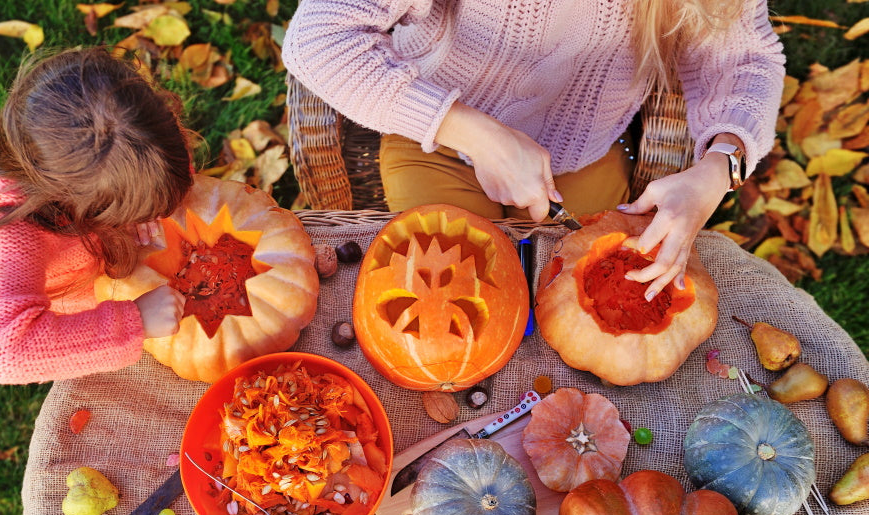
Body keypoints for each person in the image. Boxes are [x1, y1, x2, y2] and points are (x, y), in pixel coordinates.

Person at [282, 0, 785, 300]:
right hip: (440, 139)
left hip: (585, 149)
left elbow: (745, 59)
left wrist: (720, 168)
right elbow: (318, 38)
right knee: (452, 297)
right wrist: (481, 136)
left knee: (586, 300)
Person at [0, 47, 195, 384]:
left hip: (116, 267)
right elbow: (6, 353)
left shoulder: (135, 127)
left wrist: (147, 203)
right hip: (81, 301)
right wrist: (137, 321)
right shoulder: (14, 227)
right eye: (124, 208)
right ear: (74, 202)